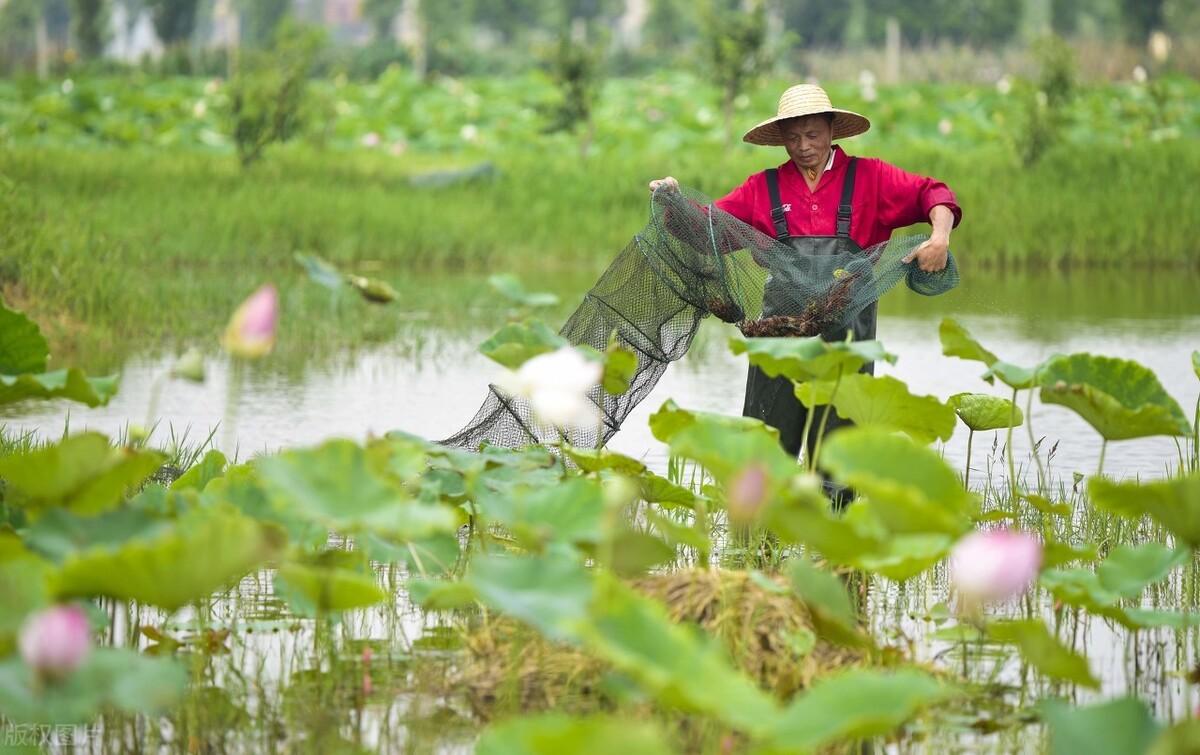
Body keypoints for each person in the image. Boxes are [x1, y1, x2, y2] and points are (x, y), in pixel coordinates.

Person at [649, 84, 962, 488]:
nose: (803, 146)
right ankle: (758, 545)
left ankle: (832, 542)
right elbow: (707, 230)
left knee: (840, 452)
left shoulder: (871, 177)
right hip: (780, 330)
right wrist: (672, 201)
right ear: (781, 139)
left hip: (848, 333)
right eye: (793, 137)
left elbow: (933, 194)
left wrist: (939, 238)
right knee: (766, 445)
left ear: (832, 130)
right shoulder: (763, 188)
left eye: (812, 134)